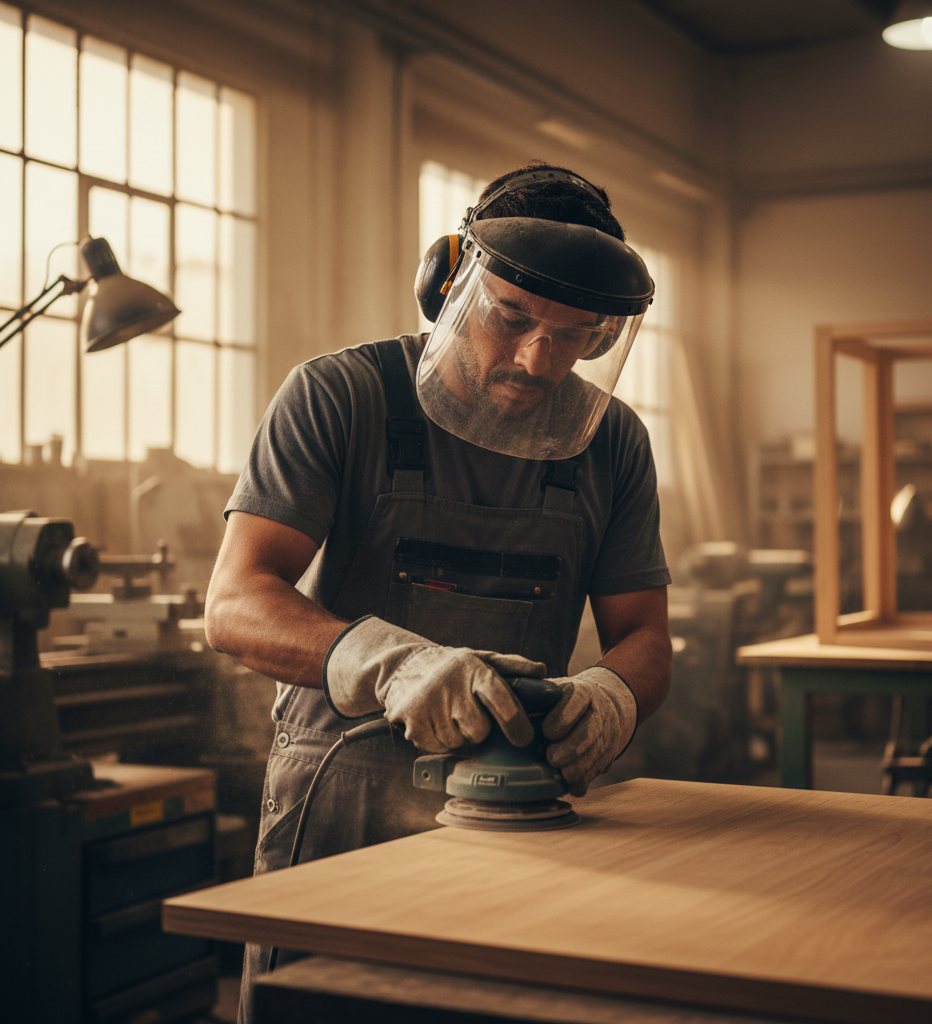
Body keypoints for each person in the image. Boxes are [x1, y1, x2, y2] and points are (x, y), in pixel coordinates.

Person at [205, 162, 673, 1022]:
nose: (539, 359)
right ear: (450, 279)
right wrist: (385, 661)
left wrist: (610, 699)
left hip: (521, 818)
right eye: (512, 317)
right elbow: (234, 604)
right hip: (338, 803)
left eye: (575, 335)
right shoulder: (341, 396)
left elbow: (644, 635)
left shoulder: (612, 444)